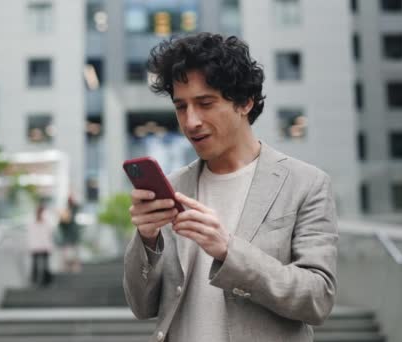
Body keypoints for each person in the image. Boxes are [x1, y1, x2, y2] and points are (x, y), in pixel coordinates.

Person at [123, 33, 338, 342]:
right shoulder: (173, 187)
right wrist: (146, 239)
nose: (191, 121)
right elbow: (142, 307)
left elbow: (317, 298)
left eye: (205, 103)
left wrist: (229, 250)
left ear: (244, 102)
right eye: (181, 107)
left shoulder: (306, 184)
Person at [28, 202, 54, 287]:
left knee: (38, 264)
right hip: (40, 246)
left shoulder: (41, 222)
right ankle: (42, 281)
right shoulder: (36, 222)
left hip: (38, 246)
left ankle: (39, 281)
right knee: (40, 264)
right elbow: (48, 234)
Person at [58, 194, 82, 272]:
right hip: (67, 235)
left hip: (72, 234)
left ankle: (74, 266)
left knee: (74, 251)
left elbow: (78, 206)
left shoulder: (73, 209)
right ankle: (67, 266)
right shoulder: (66, 210)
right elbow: (61, 224)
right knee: (67, 251)